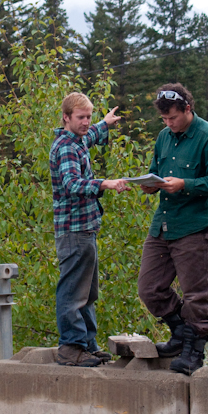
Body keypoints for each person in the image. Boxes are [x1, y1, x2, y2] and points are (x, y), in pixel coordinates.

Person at [137, 82, 208, 375]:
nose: (168, 124)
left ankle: (194, 351)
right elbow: (155, 168)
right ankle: (180, 335)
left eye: (173, 118)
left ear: (187, 109)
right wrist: (150, 185)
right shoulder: (164, 137)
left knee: (196, 294)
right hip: (164, 223)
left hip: (194, 225)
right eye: (164, 120)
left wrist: (185, 185)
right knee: (149, 288)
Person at [50, 92, 131, 367]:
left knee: (87, 292)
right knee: (73, 290)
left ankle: (87, 344)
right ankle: (71, 348)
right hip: (74, 230)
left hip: (86, 228)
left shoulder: (79, 138)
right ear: (66, 117)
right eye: (80, 117)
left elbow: (91, 135)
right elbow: (72, 184)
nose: (86, 122)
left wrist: (105, 124)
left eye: (89, 117)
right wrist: (104, 183)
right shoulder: (65, 147)